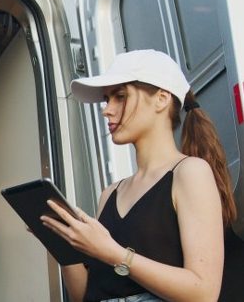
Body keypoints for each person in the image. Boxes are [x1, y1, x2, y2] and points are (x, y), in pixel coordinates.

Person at [41, 49, 237, 301]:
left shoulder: (190, 172)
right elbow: (85, 296)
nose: (106, 110)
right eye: (107, 99)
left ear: (161, 99)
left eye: (120, 97)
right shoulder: (109, 194)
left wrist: (113, 254)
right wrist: (60, 242)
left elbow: (203, 292)